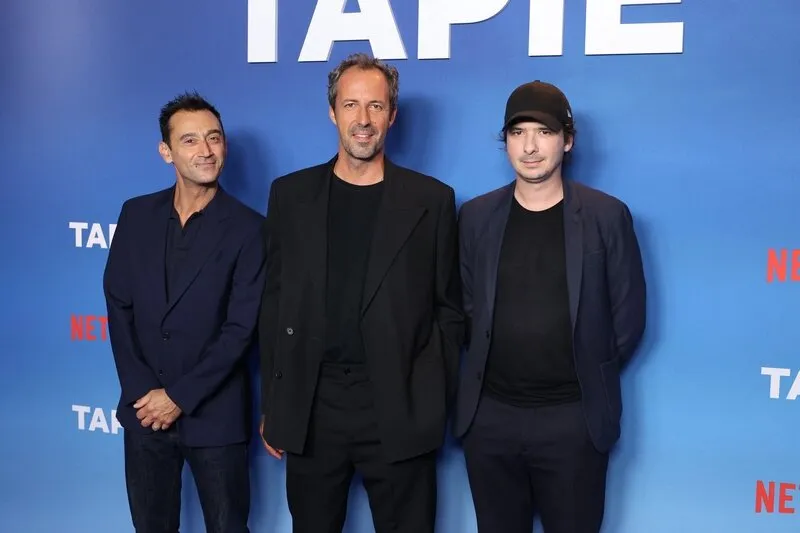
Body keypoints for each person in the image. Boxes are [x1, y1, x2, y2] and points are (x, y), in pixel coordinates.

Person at [257, 53, 464, 533]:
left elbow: (449, 310)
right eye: (351, 105)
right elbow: (275, 303)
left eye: (376, 106)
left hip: (399, 405)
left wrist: (431, 399)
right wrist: (276, 402)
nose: (363, 119)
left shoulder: (432, 200)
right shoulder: (290, 196)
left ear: (392, 115)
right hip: (313, 406)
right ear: (333, 112)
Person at [453, 80, 647, 533]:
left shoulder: (606, 216)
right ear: (506, 141)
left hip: (573, 420)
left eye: (543, 132)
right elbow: (465, 306)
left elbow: (628, 318)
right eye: (518, 133)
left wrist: (581, 377)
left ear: (568, 140)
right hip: (491, 419)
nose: (530, 147)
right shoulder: (476, 217)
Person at [103, 91, 265, 533]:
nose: (206, 150)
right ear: (166, 151)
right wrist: (144, 392)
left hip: (215, 417)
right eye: (190, 140)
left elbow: (240, 329)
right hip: (144, 414)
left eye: (214, 137)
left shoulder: (251, 229)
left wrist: (178, 397)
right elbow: (118, 305)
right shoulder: (136, 214)